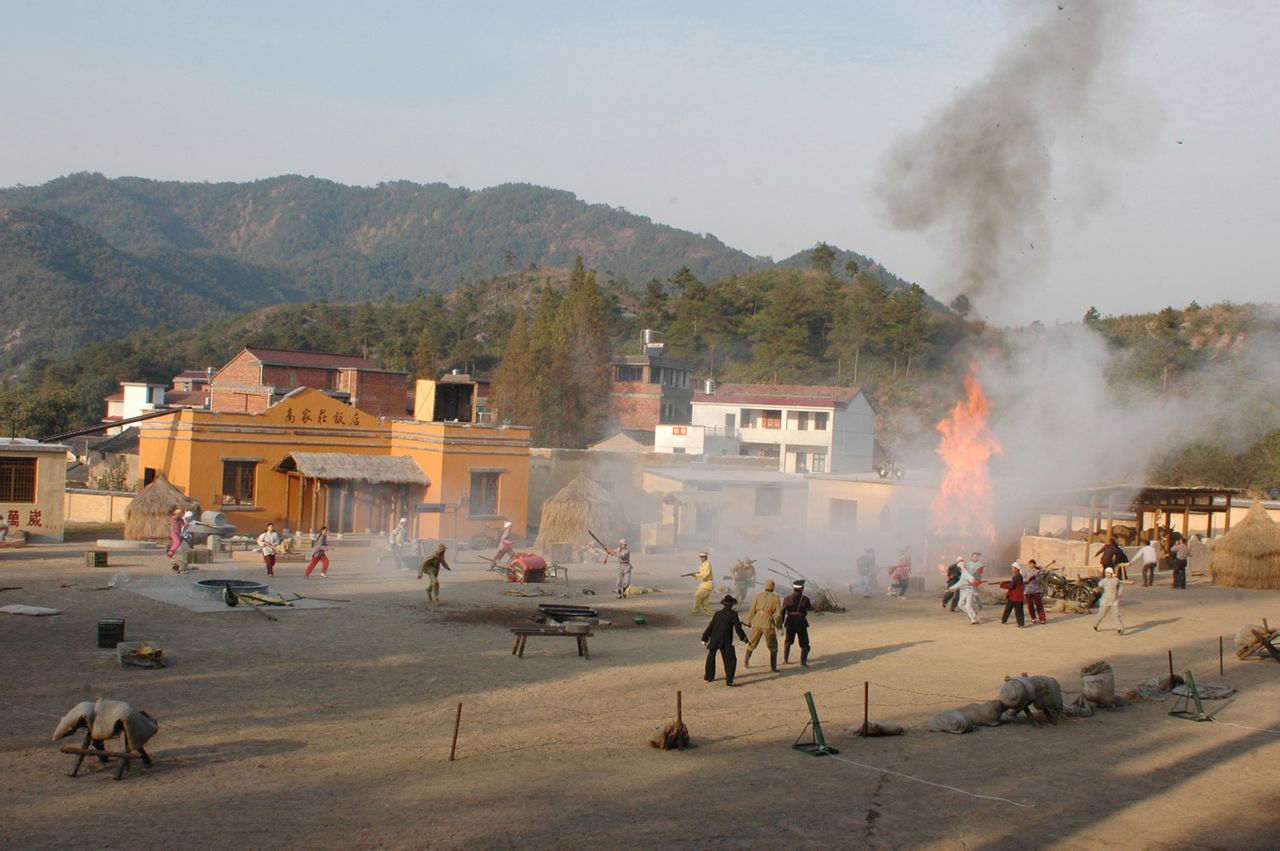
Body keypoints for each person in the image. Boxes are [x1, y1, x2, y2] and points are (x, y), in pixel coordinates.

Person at [702, 595, 748, 686]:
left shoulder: (717, 613)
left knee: (711, 658)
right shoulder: (733, 614)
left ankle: (708, 677)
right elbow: (738, 628)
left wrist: (705, 638)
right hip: (726, 639)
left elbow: (710, 626)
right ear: (732, 605)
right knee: (730, 660)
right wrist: (744, 638)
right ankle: (729, 681)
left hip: (714, 638)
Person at [744, 578, 783, 671]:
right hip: (768, 623)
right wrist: (779, 626)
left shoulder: (758, 596)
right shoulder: (776, 598)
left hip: (756, 621)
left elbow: (752, 610)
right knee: (773, 646)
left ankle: (746, 662)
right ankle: (773, 667)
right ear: (773, 587)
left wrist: (749, 622)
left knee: (752, 642)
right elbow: (778, 614)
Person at [781, 579, 814, 666]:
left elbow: (782, 611)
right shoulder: (805, 599)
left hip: (790, 622)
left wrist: (781, 622)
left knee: (788, 641)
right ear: (802, 589)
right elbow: (810, 608)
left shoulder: (787, 599)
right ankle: (803, 662)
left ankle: (785, 660)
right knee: (804, 643)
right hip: (801, 622)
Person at [1093, 566, 1125, 634]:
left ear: (1111, 573)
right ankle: (1095, 625)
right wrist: (1096, 591)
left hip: (1114, 601)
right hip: (1105, 601)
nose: (1107, 574)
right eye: (1106, 573)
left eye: (1108, 573)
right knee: (1101, 614)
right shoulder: (1103, 581)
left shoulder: (1116, 580)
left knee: (1116, 615)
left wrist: (1119, 594)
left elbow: (1120, 587)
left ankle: (1120, 629)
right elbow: (1099, 587)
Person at [999, 561, 1026, 627]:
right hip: (1017, 597)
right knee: (1018, 611)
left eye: (1013, 568)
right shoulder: (1019, 576)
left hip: (1014, 596)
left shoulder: (1016, 576)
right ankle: (1021, 623)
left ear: (1016, 569)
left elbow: (1011, 586)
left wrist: (1002, 584)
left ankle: (1004, 620)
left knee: (1009, 609)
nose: (1012, 569)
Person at [1023, 559, 1046, 625]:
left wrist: (1037, 577)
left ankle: (1042, 618)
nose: (1029, 565)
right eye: (1029, 564)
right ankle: (1033, 617)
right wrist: (1027, 579)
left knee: (1039, 604)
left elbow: (1040, 581)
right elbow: (1024, 579)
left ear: (1034, 564)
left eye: (1031, 564)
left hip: (1036, 590)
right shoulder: (1027, 572)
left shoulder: (1038, 572)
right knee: (1030, 605)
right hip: (1028, 590)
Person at [691, 550, 714, 615]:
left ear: (706, 557)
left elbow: (706, 574)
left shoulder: (707, 564)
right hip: (703, 584)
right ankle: (711, 614)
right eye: (700, 557)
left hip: (707, 584)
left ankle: (695, 610)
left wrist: (696, 575)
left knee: (697, 595)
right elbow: (701, 573)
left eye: (703, 557)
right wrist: (696, 573)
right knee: (705, 602)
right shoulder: (702, 565)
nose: (701, 558)